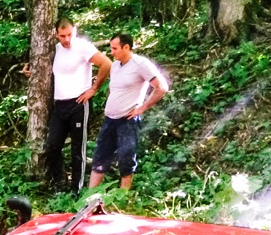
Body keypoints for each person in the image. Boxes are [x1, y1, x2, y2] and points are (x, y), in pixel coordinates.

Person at [25, 18, 111, 194]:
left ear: (75, 31)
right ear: (56, 34)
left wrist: (93, 89)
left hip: (79, 104)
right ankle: (59, 184)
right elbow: (46, 70)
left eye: (70, 34)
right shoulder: (54, 50)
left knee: (77, 149)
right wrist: (31, 72)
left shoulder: (82, 47)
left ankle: (76, 190)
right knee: (52, 146)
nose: (67, 39)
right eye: (62, 35)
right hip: (60, 104)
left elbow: (106, 64)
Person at [88, 33, 169, 190]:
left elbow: (162, 87)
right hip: (110, 119)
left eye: (115, 48)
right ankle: (89, 198)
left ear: (126, 47)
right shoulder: (116, 66)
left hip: (127, 120)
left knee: (126, 158)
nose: (112, 52)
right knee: (100, 157)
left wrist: (142, 107)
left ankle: (122, 197)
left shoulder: (140, 64)